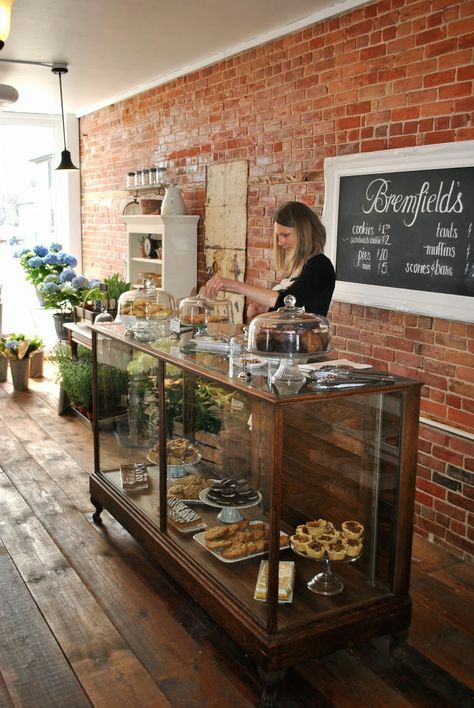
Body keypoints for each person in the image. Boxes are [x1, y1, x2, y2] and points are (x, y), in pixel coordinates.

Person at [204, 201, 336, 317]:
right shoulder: (296, 269)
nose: (280, 242)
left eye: (285, 235)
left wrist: (234, 285)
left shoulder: (320, 266)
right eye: (278, 236)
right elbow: (283, 312)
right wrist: (263, 309)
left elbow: (287, 301)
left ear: (304, 233)